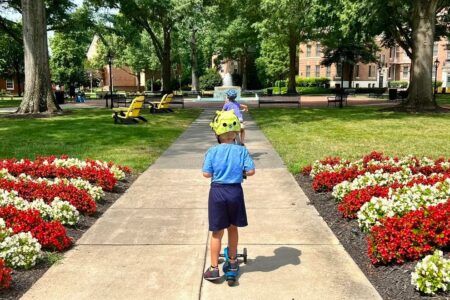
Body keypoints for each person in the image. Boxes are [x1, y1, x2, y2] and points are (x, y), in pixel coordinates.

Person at [202, 110, 256, 281]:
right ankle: (232, 263)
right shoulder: (241, 151)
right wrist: (241, 171)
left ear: (217, 133)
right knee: (233, 228)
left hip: (217, 192)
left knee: (217, 232)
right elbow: (251, 171)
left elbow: (206, 174)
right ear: (236, 133)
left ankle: (214, 268)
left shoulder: (212, 151)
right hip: (235, 192)